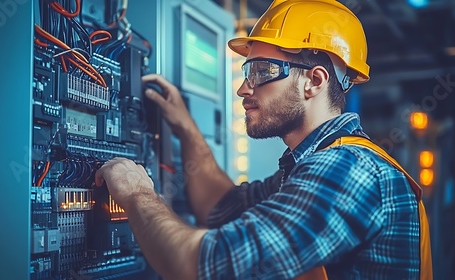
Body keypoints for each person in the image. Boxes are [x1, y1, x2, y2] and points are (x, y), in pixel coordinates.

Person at [95, 0, 432, 279]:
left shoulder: (348, 171)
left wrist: (137, 193)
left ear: (313, 81)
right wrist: (186, 127)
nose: (243, 88)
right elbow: (221, 207)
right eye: (247, 73)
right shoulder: (310, 166)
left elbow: (201, 267)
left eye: (261, 72)